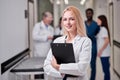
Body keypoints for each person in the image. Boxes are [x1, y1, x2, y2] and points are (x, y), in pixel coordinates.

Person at [44, 6, 92, 80]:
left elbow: (81, 68)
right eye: (65, 19)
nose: (68, 23)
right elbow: (47, 66)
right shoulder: (57, 41)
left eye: (72, 19)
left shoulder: (85, 41)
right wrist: (61, 73)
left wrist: (58, 67)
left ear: (78, 21)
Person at [84, 8, 100, 80]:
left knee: (93, 65)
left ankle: (92, 78)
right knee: (83, 64)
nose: (88, 15)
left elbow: (98, 35)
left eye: (90, 13)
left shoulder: (96, 25)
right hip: (84, 47)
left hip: (93, 46)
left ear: (92, 14)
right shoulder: (83, 24)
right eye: (87, 13)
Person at [96, 15, 111, 80]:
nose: (97, 21)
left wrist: (100, 51)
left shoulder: (103, 29)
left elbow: (107, 41)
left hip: (104, 54)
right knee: (105, 70)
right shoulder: (101, 29)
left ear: (102, 21)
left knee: (106, 71)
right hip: (104, 54)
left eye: (98, 20)